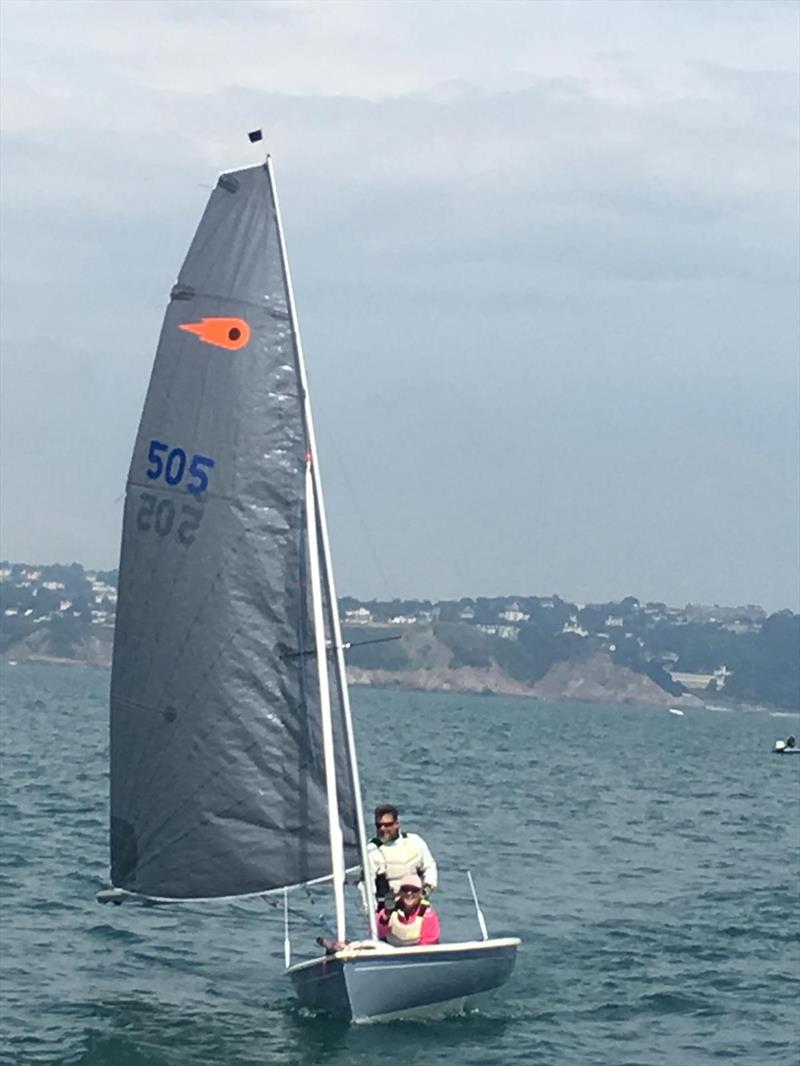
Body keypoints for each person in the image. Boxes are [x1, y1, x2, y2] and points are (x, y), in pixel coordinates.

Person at [367, 804, 438, 908]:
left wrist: (427, 889)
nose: (383, 829)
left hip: (417, 906)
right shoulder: (372, 850)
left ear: (397, 824)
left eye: (387, 825)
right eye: (379, 825)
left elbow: (429, 866)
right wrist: (371, 912)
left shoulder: (414, 841)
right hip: (388, 909)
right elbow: (367, 885)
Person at [376, 873, 440, 947]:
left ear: (420, 892)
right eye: (405, 889)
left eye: (414, 890)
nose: (409, 893)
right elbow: (377, 933)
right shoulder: (389, 910)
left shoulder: (427, 914)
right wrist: (386, 917)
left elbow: (430, 942)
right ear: (400, 892)